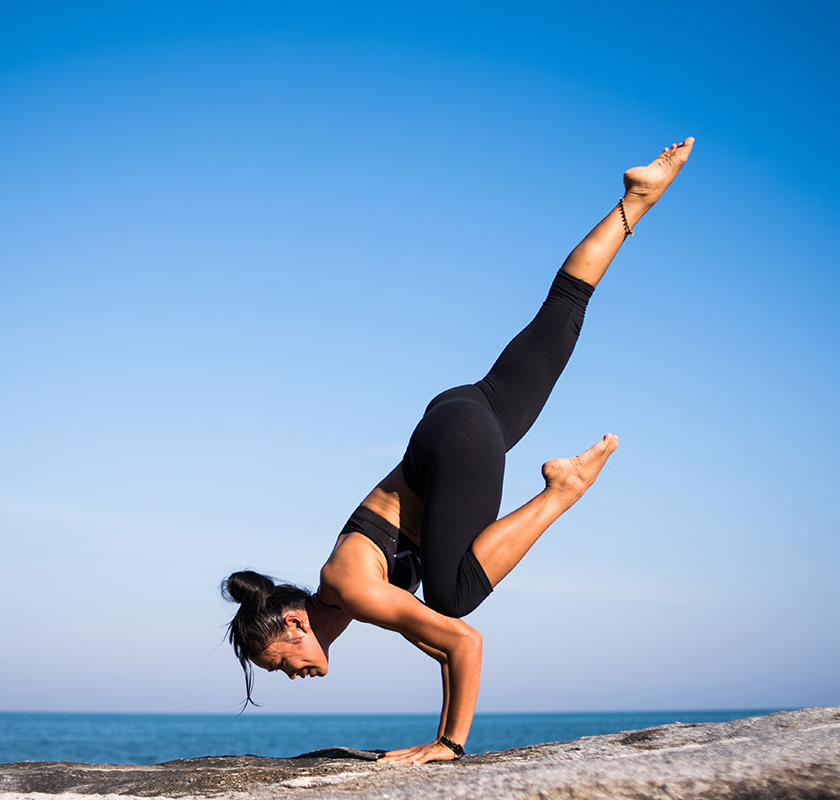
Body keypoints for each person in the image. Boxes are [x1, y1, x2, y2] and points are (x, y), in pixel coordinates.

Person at [222, 137, 695, 764]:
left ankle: (561, 490)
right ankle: (636, 199)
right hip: (458, 418)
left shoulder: (349, 588)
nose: (290, 676)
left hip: (458, 445)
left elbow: (461, 641)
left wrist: (448, 743)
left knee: (451, 597)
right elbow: (433, 643)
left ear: (294, 624)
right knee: (560, 317)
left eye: (281, 664)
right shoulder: (341, 596)